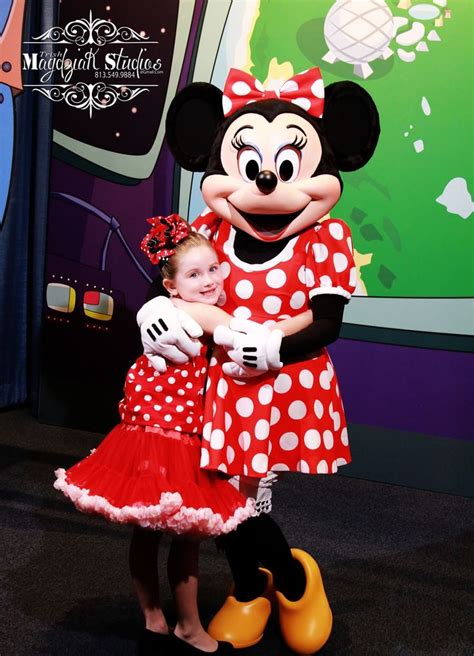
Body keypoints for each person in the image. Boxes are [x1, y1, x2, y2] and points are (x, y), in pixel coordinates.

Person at [136, 67, 380, 654]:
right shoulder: (208, 227)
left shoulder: (324, 239)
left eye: (287, 166)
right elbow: (169, 280)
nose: (267, 180)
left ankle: (295, 582)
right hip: (214, 389)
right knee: (220, 500)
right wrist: (153, 312)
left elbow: (328, 322)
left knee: (241, 505)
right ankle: (252, 587)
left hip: (283, 390)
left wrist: (270, 343)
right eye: (249, 165)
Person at [54, 213, 312, 655]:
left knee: (149, 532)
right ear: (171, 285)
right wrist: (309, 317)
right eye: (195, 274)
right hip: (169, 440)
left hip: (148, 434)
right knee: (186, 537)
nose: (210, 279)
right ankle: (187, 629)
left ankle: (155, 622)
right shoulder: (199, 311)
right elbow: (241, 334)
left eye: (214, 267)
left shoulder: (176, 305)